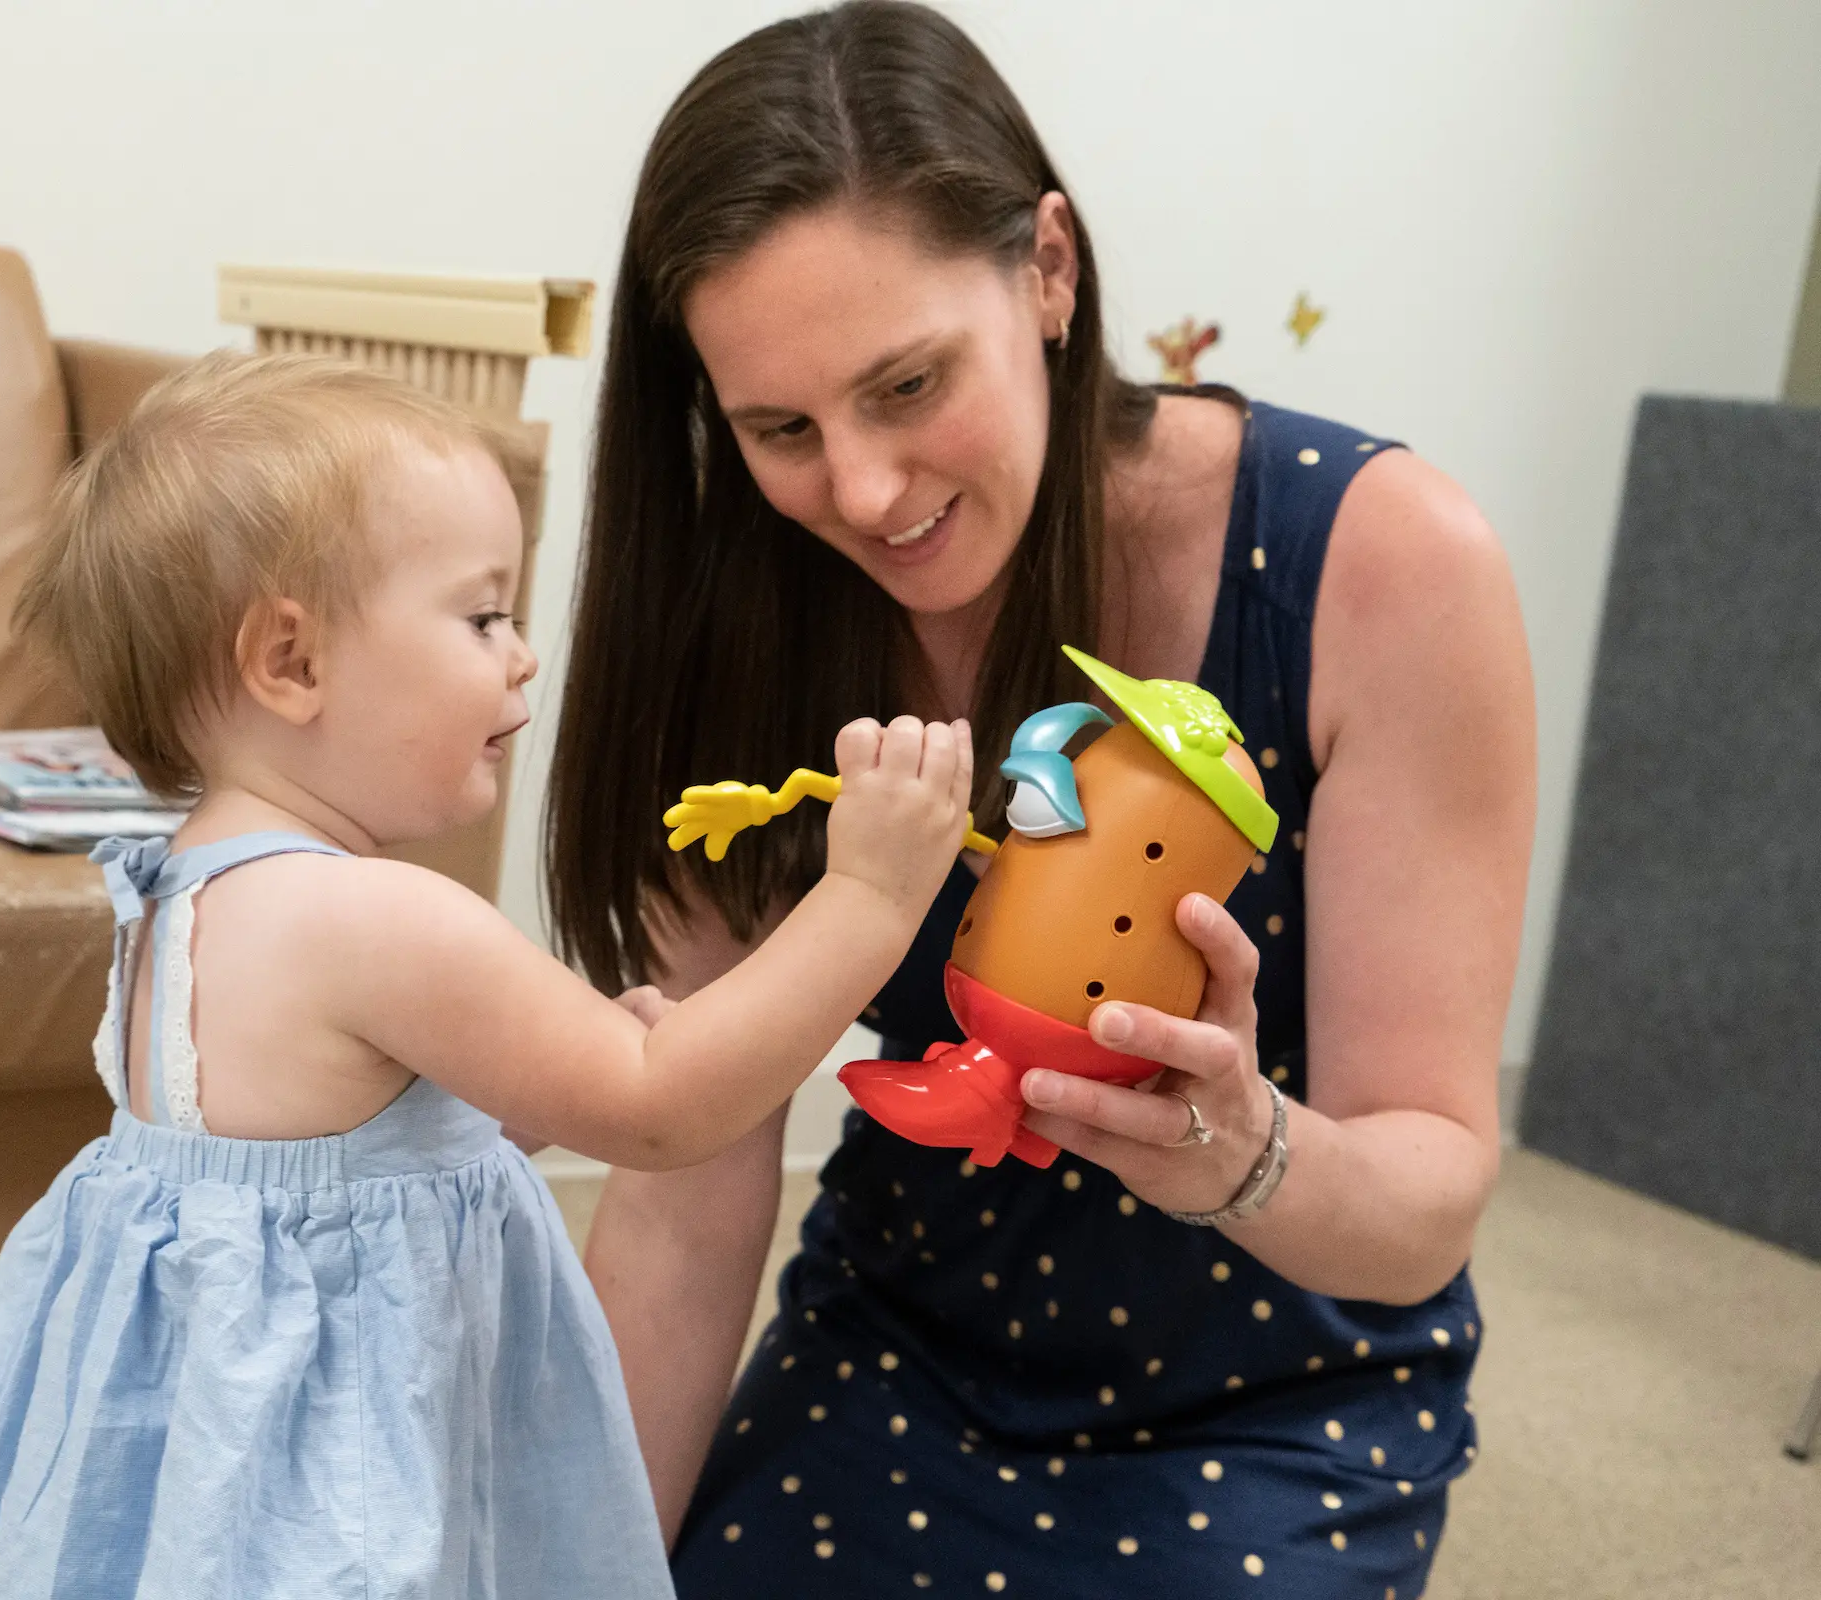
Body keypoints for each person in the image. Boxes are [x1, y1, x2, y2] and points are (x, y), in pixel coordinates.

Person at [547, 5, 1536, 1595]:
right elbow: (683, 1215)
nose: (865, 493)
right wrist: (581, 1571)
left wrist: (1246, 1153)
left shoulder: (1382, 563)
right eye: (782, 430)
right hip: (905, 1338)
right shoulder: (743, 614)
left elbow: (1423, 1203)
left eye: (910, 382)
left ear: (1050, 273)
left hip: (1280, 1386)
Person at [0, 351, 978, 1598]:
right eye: (483, 616)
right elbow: (662, 1103)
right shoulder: (378, 918)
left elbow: (319, 1165)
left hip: (217, 1470)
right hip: (337, 1476)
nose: (523, 657)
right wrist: (868, 895)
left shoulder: (183, 887)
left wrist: (508, 1108)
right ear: (294, 661)